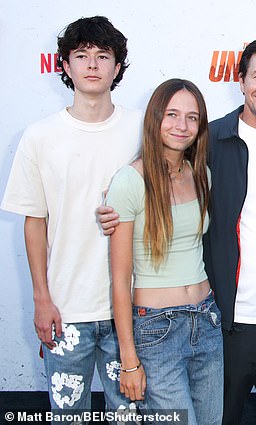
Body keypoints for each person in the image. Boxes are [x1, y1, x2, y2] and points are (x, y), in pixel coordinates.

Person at [97, 36, 256, 425]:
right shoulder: (209, 142)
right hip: (226, 322)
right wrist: (113, 208)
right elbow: (152, 179)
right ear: (241, 79)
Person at [1, 16, 140, 416]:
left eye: (102, 55)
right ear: (64, 65)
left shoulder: (140, 128)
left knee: (129, 417)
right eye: (81, 55)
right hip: (65, 312)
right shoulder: (39, 136)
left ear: (117, 67)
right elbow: (34, 222)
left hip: (128, 312)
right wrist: (41, 299)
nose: (92, 64)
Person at [105, 79, 223, 424]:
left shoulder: (202, 174)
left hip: (207, 319)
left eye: (192, 117)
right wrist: (129, 361)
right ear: (155, 118)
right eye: (172, 114)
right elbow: (119, 280)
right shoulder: (130, 180)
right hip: (157, 330)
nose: (181, 125)